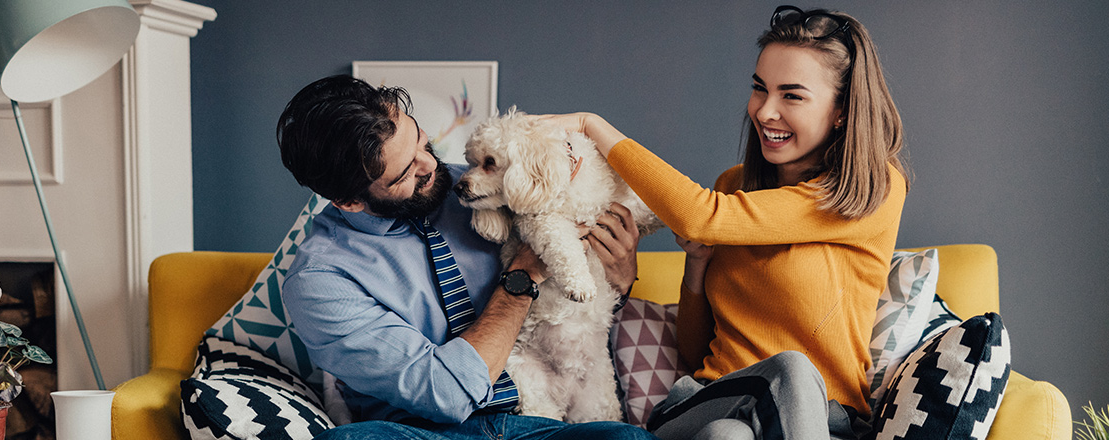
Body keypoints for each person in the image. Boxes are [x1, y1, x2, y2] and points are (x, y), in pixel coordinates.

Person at [539, 5, 908, 440]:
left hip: (825, 419)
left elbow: (700, 216)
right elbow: (698, 354)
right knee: (763, 391)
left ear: (842, 111)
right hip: (703, 401)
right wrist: (697, 267)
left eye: (792, 95)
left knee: (730, 433)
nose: (765, 111)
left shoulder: (868, 189)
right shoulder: (734, 187)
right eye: (760, 89)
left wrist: (591, 125)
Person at [275, 74, 654, 440]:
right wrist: (523, 275)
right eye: (407, 172)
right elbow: (446, 395)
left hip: (542, 424)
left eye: (423, 143)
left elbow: (578, 300)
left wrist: (619, 277)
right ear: (350, 201)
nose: (431, 166)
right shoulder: (319, 281)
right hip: (423, 432)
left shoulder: (487, 182)